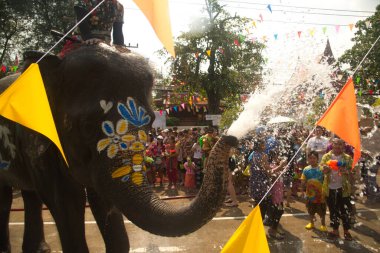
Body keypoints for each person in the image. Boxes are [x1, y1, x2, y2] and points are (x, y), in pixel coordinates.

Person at [320, 138, 353, 240]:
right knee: (333, 209)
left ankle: (346, 231)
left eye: (340, 144)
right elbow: (322, 168)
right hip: (330, 187)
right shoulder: (326, 156)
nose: (338, 146)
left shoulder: (347, 158)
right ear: (332, 145)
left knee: (344, 210)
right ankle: (335, 230)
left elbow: (353, 172)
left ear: (343, 146)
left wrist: (345, 171)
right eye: (336, 144)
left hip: (343, 188)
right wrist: (326, 169)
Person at [301, 151, 327, 232]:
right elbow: (303, 180)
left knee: (322, 211)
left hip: (321, 195)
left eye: (314, 158)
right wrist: (302, 191)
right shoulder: (306, 169)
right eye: (310, 158)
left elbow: (326, 180)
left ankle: (323, 224)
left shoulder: (322, 169)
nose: (312, 160)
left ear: (317, 159)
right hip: (310, 194)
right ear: (308, 159)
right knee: (310, 210)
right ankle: (311, 223)